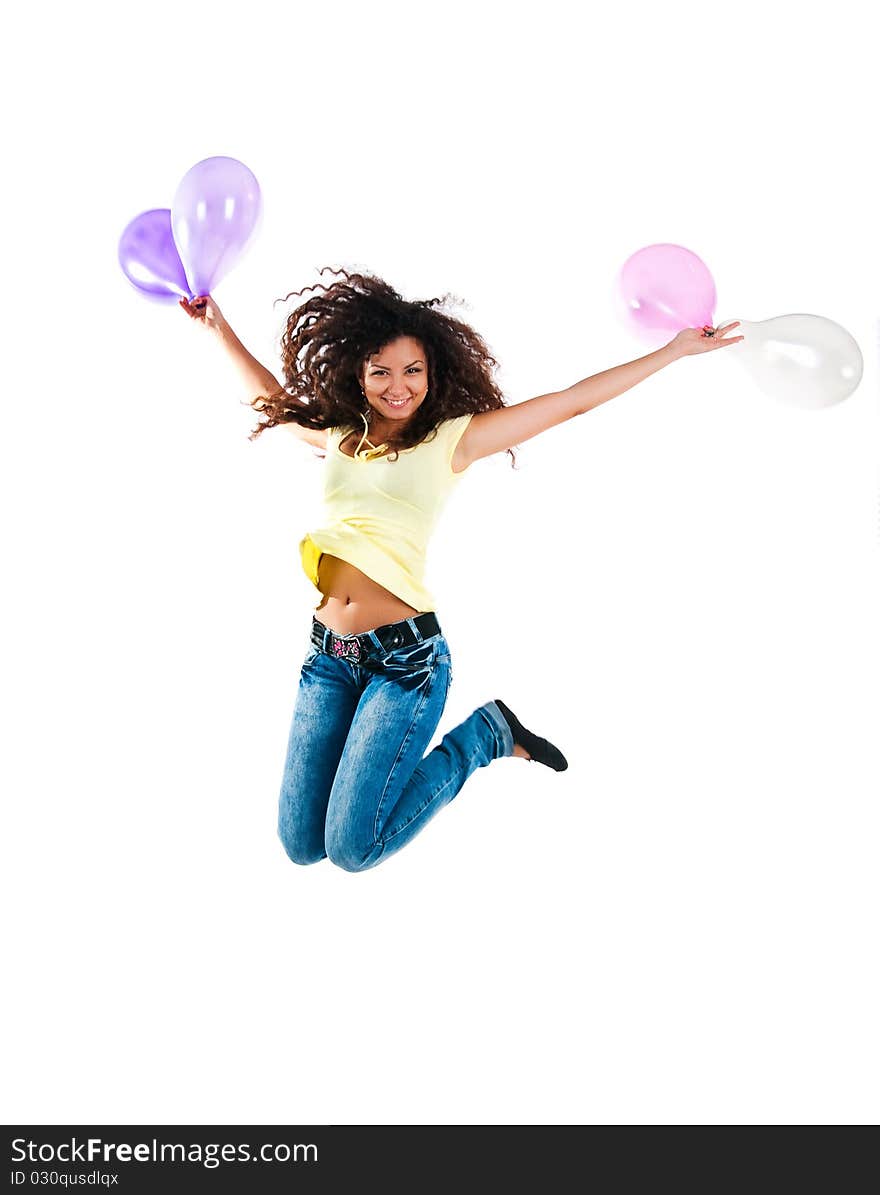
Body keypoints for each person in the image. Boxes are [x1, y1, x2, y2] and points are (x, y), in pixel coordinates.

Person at [180, 269, 742, 872]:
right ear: (359, 375)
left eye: (412, 371)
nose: (398, 386)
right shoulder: (340, 437)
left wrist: (675, 350)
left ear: (433, 372)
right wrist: (217, 327)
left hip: (405, 662)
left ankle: (487, 736)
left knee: (352, 849)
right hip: (329, 657)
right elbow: (270, 398)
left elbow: (571, 402)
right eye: (381, 372)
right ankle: (477, 737)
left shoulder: (451, 441)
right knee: (301, 846)